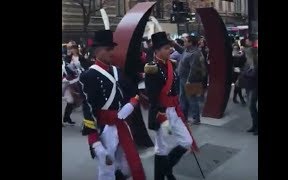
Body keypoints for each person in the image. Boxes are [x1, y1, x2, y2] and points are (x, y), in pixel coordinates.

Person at [78, 30, 145, 180]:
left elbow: (132, 92)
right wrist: (94, 142)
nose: (112, 52)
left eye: (112, 48)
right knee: (107, 171)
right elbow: (88, 109)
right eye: (108, 49)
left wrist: (132, 103)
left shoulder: (117, 71)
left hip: (122, 124)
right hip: (105, 129)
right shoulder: (88, 75)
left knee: (128, 166)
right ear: (97, 51)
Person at [144, 32, 198, 180]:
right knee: (161, 148)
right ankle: (161, 176)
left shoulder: (170, 64)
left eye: (169, 47)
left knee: (186, 141)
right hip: (161, 112)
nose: (170, 50)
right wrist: (161, 115)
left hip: (174, 109)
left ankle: (166, 170)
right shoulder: (152, 68)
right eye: (167, 48)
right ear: (157, 50)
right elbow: (153, 96)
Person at [173, 35, 206, 125]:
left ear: (191, 43)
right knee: (183, 98)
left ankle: (196, 119)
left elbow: (194, 69)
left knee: (192, 99)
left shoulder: (195, 53)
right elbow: (180, 49)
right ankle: (184, 117)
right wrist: (172, 43)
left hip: (190, 80)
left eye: (185, 41)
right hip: (183, 78)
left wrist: (189, 80)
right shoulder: (187, 50)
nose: (184, 42)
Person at [244, 47, 258, 135]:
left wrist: (246, 73)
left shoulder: (256, 64)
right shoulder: (248, 63)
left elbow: (253, 75)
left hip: (255, 87)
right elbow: (244, 72)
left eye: (246, 54)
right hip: (249, 87)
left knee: (252, 106)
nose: (245, 56)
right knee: (251, 107)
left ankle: (256, 127)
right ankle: (254, 126)